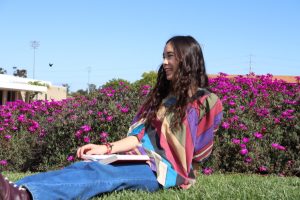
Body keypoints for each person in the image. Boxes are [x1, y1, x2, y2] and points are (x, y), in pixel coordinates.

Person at [0, 35, 223, 200]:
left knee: (102, 173)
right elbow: (138, 137)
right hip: (139, 157)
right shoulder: (161, 98)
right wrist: (105, 148)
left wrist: (183, 171)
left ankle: (23, 196)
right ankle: (14, 188)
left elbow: (201, 151)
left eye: (170, 56)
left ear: (187, 58)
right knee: (82, 167)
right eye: (164, 56)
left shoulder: (206, 101)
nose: (164, 62)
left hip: (163, 171)